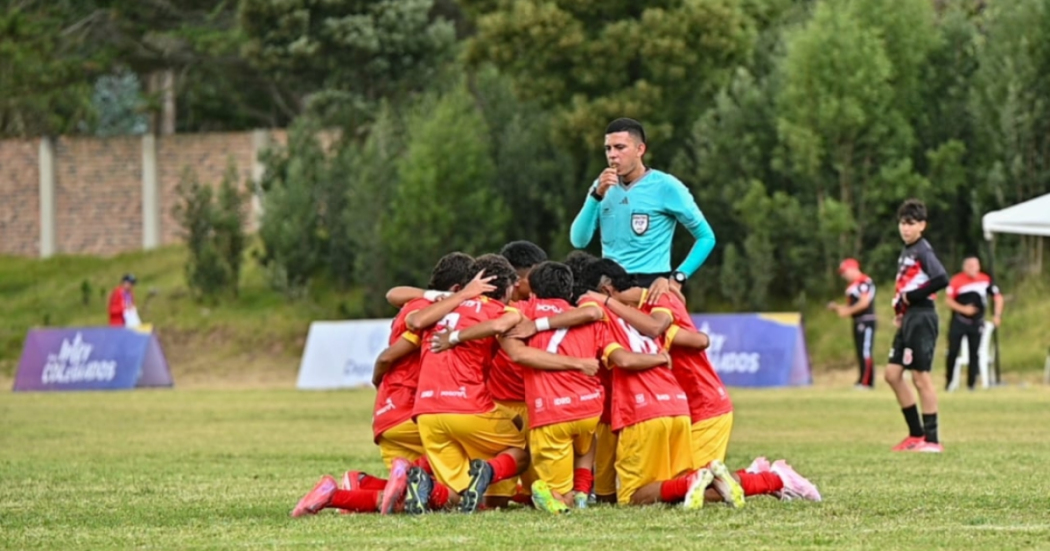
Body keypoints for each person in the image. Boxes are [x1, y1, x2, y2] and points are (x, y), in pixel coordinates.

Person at [569, 118, 716, 294]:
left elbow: (706, 237)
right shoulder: (601, 186)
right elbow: (578, 240)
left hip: (650, 285)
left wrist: (678, 276)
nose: (612, 155)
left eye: (620, 147)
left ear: (640, 149)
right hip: (610, 286)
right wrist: (595, 196)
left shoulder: (666, 186)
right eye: (608, 148)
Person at [886, 199, 949, 453]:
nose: (905, 228)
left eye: (911, 223)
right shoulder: (907, 250)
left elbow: (941, 278)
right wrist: (901, 310)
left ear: (922, 225)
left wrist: (913, 298)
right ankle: (915, 434)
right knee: (892, 374)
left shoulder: (923, 250)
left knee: (921, 377)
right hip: (909, 317)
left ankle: (932, 440)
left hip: (922, 316)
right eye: (902, 223)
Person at [945, 256, 1004, 391]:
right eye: (970, 266)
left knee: (974, 352)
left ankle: (971, 384)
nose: (973, 269)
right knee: (953, 351)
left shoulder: (985, 280)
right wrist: (963, 309)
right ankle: (949, 382)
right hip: (959, 321)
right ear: (964, 267)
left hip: (976, 322)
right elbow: (948, 301)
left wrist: (997, 315)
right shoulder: (957, 280)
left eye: (975, 265)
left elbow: (998, 297)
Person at [827, 259, 877, 389]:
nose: (843, 275)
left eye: (845, 271)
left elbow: (864, 303)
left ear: (853, 269)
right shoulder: (853, 285)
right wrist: (838, 308)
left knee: (865, 351)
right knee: (860, 351)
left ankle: (867, 382)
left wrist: (847, 311)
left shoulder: (863, 282)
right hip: (858, 321)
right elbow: (852, 306)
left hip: (866, 320)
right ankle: (861, 380)